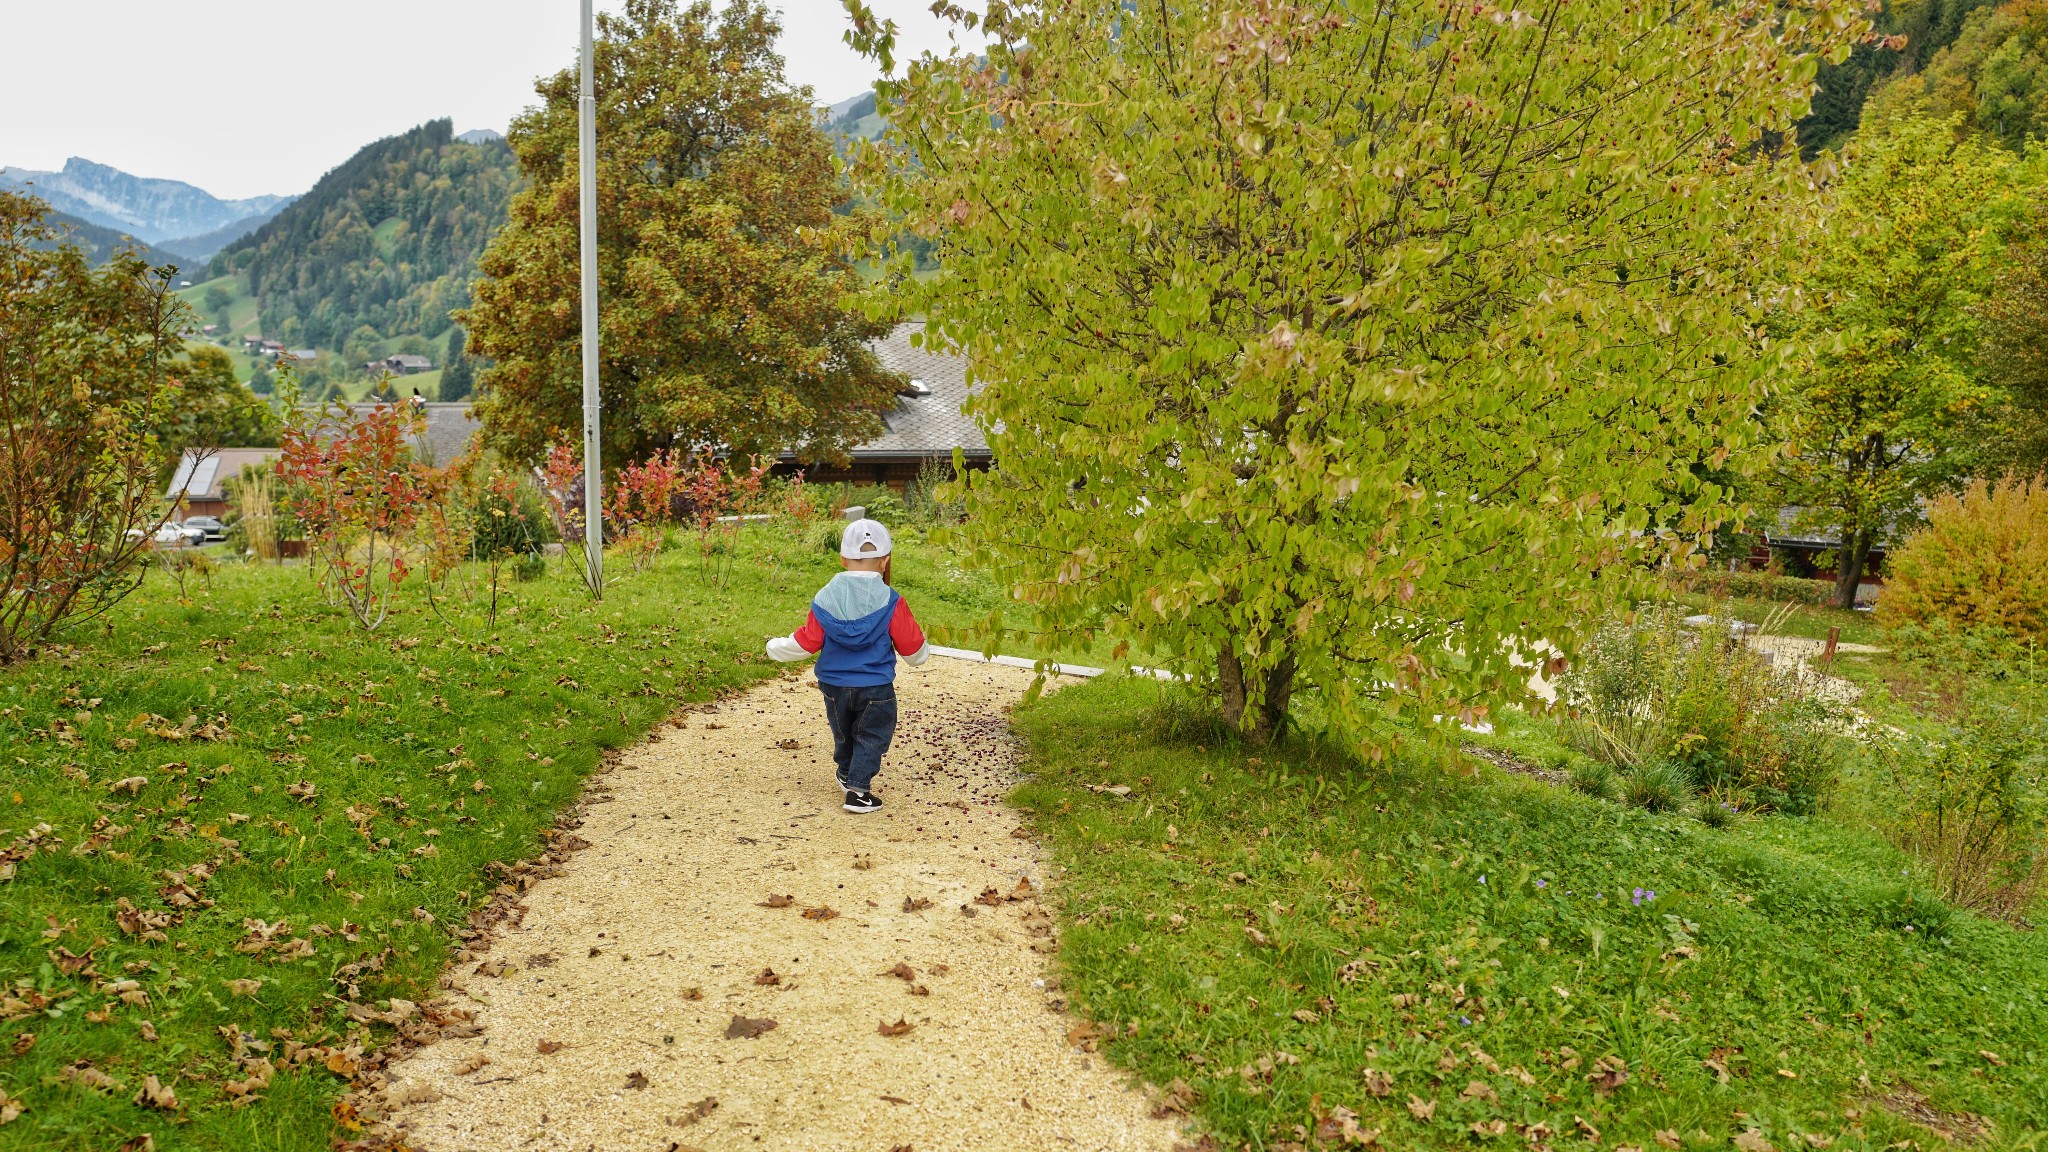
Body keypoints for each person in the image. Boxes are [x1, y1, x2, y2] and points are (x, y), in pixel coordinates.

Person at [765, 519, 929, 812]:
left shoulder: (825, 597)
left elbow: (807, 642)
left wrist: (774, 647)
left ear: (843, 559)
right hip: (875, 686)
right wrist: (921, 654)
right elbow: (913, 649)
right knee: (871, 735)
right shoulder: (891, 601)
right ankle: (859, 792)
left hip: (833, 684)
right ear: (885, 560)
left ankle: (846, 771)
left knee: (842, 730)